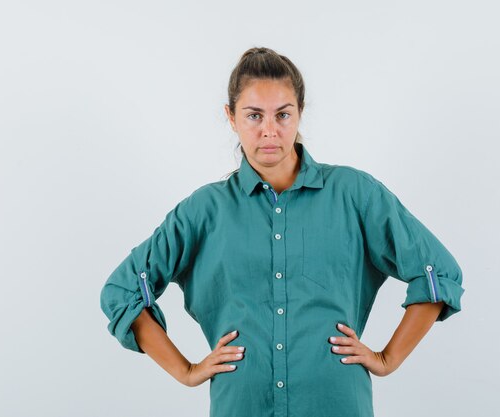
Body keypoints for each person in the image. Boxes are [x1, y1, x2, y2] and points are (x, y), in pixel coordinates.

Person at [99, 46, 465, 417]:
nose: (269, 131)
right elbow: (122, 290)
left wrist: (388, 358)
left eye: (283, 115)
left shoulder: (355, 194)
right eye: (254, 115)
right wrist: (186, 371)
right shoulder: (204, 211)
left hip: (336, 404)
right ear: (231, 117)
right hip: (242, 406)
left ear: (300, 114)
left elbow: (437, 271)